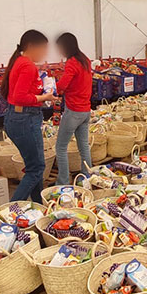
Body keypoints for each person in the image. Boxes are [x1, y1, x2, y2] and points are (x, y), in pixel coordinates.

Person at [2, 30, 55, 202]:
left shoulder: (20, 62)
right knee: (36, 168)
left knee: (35, 166)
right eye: (43, 49)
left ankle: (38, 205)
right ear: (32, 46)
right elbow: (20, 96)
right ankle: (12, 211)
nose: (45, 53)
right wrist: (44, 97)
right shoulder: (27, 65)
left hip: (18, 117)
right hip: (25, 119)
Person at [54, 33, 93, 185]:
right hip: (85, 110)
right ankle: (87, 177)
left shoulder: (72, 62)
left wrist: (51, 88)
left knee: (61, 147)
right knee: (83, 146)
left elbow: (62, 85)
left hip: (74, 111)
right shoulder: (85, 60)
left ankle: (62, 183)